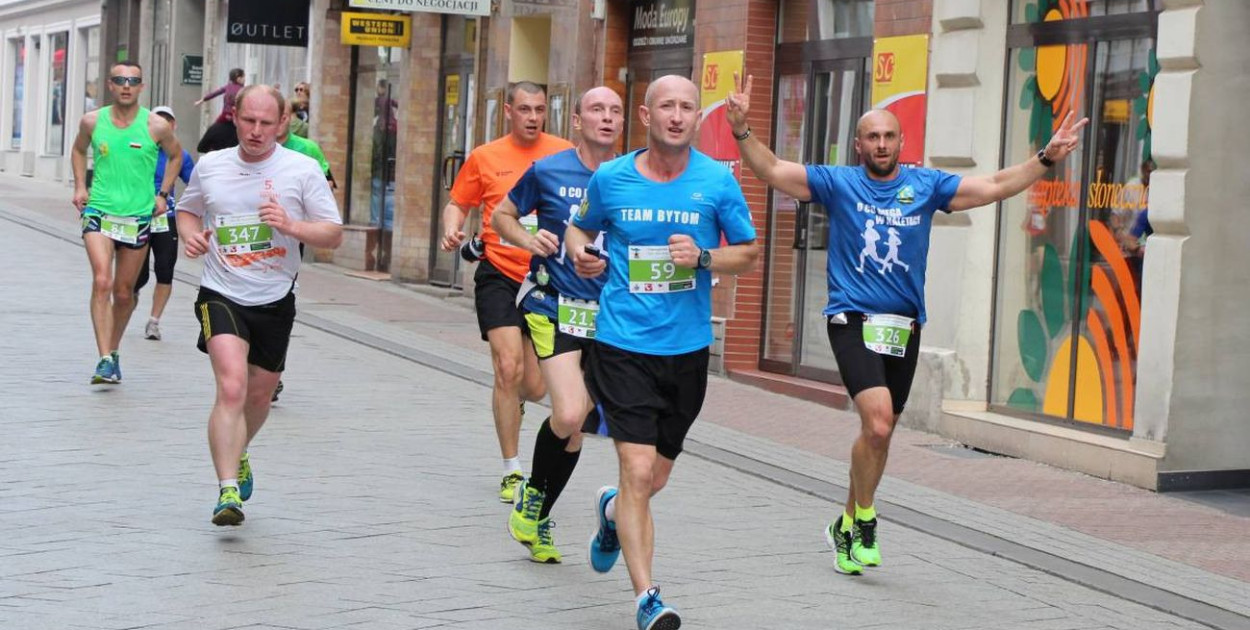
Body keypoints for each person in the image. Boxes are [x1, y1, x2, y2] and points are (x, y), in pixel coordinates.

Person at [726, 73, 1087, 575]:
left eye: (888, 136)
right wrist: (741, 129)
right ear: (858, 145)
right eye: (872, 137)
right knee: (877, 421)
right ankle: (867, 519)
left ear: (901, 142)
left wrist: (1045, 158)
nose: (881, 144)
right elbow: (771, 168)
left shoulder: (925, 186)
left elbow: (993, 186)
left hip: (903, 326)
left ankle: (844, 524)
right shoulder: (838, 183)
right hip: (851, 319)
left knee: (881, 433)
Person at [565, 75, 759, 630]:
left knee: (652, 481)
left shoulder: (716, 181)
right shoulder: (612, 177)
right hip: (622, 344)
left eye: (687, 107)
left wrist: (704, 258)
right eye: (667, 106)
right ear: (646, 116)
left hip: (688, 351)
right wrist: (581, 254)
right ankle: (648, 597)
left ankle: (611, 512)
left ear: (698, 118)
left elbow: (748, 253)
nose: (677, 116)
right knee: (637, 466)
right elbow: (578, 230)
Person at [176, 85, 343, 526]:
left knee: (259, 394)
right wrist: (190, 236)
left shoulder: (302, 169)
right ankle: (227, 489)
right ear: (234, 116)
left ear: (283, 122)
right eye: (248, 120)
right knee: (232, 387)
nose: (255, 131)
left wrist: (291, 225)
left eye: (266, 123)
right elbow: (187, 210)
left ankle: (240, 448)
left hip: (274, 297)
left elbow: (332, 233)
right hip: (221, 291)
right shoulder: (212, 166)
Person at [492, 86, 624, 564]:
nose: (606, 118)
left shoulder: (631, 177)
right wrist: (529, 240)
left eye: (615, 111)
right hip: (554, 306)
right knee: (568, 414)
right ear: (576, 120)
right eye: (596, 109)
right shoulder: (549, 170)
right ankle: (533, 493)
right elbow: (502, 215)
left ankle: (538, 514)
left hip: (609, 317)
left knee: (575, 428)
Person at [439, 81, 573, 503]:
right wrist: (452, 229)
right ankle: (512, 470)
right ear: (509, 111)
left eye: (539, 109)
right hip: (499, 273)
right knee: (507, 368)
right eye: (525, 109)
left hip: (546, 278)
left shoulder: (564, 154)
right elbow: (458, 202)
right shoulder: (486, 156)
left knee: (534, 387)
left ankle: (512, 401)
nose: (533, 117)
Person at [70, 61, 183, 384]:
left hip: (137, 217)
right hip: (99, 212)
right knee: (102, 280)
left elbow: (177, 156)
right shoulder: (92, 121)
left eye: (133, 81)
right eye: (120, 80)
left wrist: (163, 194)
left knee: (124, 293)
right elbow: (78, 150)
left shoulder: (156, 126)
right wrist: (80, 186)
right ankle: (104, 358)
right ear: (110, 85)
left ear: (141, 87)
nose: (126, 86)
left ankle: (113, 351)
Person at [134, 106, 196, 341]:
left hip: (165, 219)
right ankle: (128, 299)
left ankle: (154, 321)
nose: (163, 125)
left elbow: (195, 183)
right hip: (137, 218)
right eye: (158, 120)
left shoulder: (180, 155)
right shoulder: (138, 148)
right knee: (137, 276)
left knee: (165, 269)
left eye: (167, 121)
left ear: (174, 125)